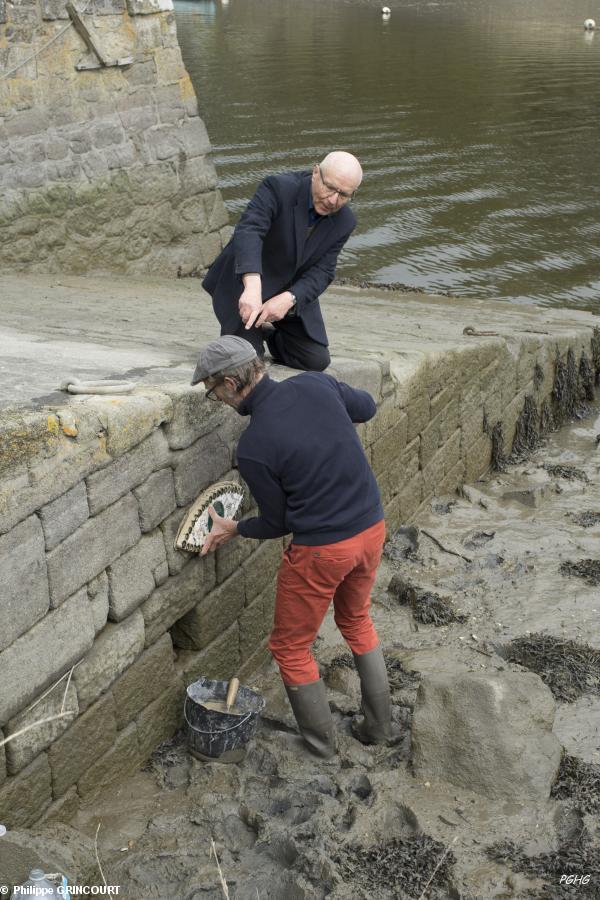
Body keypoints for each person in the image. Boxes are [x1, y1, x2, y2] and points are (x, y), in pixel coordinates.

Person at [191, 335, 399, 758]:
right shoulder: (316, 384)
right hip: (371, 527)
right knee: (357, 620)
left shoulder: (253, 448)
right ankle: (380, 728)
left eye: (213, 392)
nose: (217, 400)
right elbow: (367, 407)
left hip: (323, 550)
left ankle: (320, 745)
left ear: (231, 382)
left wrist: (237, 529)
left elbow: (280, 522)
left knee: (290, 646)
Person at [201, 151, 363, 372]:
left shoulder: (345, 221)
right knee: (248, 364)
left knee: (316, 361)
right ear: (316, 172)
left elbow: (324, 271)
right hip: (246, 282)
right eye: (330, 188)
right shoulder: (278, 187)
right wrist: (252, 285)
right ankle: (245, 333)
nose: (333, 200)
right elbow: (249, 231)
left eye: (344, 195)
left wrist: (290, 298)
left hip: (288, 288)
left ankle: (270, 334)